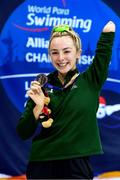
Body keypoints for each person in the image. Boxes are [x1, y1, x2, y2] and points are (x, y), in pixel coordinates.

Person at [16, 21, 115, 179]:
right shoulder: (41, 85)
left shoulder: (91, 80)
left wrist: (107, 35)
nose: (61, 58)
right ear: (50, 55)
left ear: (78, 53)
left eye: (66, 51)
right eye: (55, 52)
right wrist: (37, 107)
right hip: (42, 164)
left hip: (77, 164)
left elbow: (103, 53)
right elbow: (23, 132)